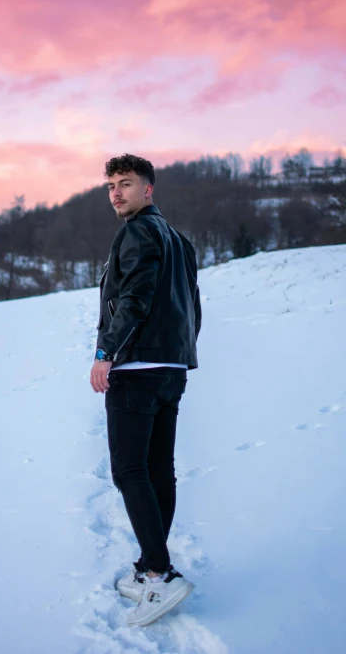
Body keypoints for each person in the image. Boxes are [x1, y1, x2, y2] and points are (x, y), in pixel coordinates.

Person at [90, 153, 202, 627]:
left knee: (129, 470)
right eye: (111, 185)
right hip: (171, 368)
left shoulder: (137, 232)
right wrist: (181, 352)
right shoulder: (179, 239)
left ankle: (157, 572)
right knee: (158, 470)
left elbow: (133, 298)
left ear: (148, 189)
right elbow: (193, 304)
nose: (116, 192)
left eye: (126, 184)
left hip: (137, 367)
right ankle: (151, 566)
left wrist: (105, 353)